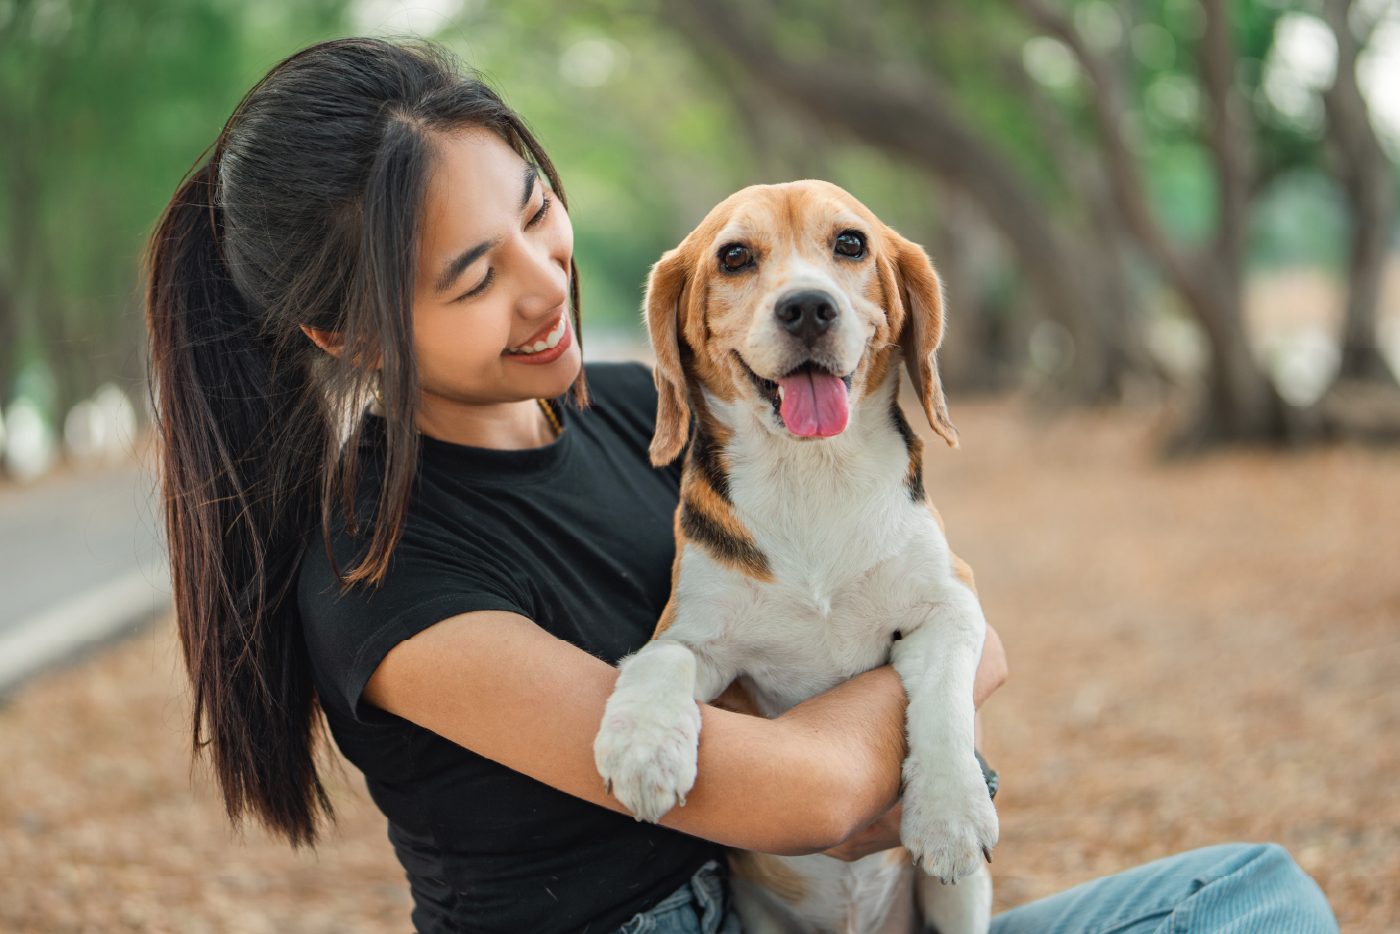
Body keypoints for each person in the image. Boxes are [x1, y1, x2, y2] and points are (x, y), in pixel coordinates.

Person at [145, 37, 1338, 934]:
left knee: (1251, 894)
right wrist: (926, 717)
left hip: (806, 908)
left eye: (534, 211)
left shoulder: (644, 408)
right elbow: (804, 790)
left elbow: (959, 607)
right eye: (471, 277)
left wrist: (931, 669)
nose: (541, 284)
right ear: (347, 333)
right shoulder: (379, 569)